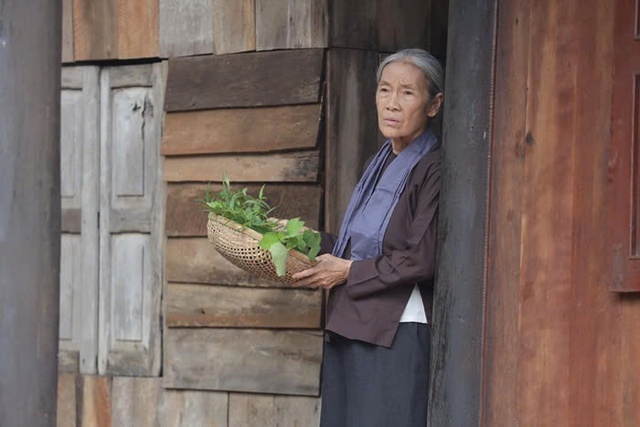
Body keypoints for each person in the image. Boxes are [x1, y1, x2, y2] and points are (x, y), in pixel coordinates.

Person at [291, 48, 444, 427]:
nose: (392, 104)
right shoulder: (380, 162)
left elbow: (420, 259)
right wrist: (300, 238)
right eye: (384, 90)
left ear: (433, 105)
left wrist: (346, 273)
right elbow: (354, 248)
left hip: (394, 331)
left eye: (407, 93)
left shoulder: (433, 170)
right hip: (351, 321)